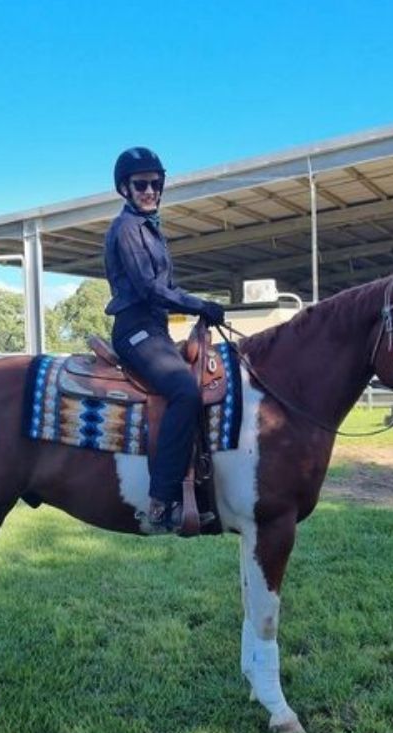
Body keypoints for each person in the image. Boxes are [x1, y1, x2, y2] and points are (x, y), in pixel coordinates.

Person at [104, 147, 225, 532]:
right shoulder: (126, 229)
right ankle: (162, 500)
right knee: (185, 391)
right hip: (134, 328)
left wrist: (195, 308)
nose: (150, 191)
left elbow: (165, 286)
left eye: (156, 184)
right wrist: (199, 304)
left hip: (155, 329)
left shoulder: (151, 229)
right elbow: (150, 288)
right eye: (141, 185)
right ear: (125, 188)